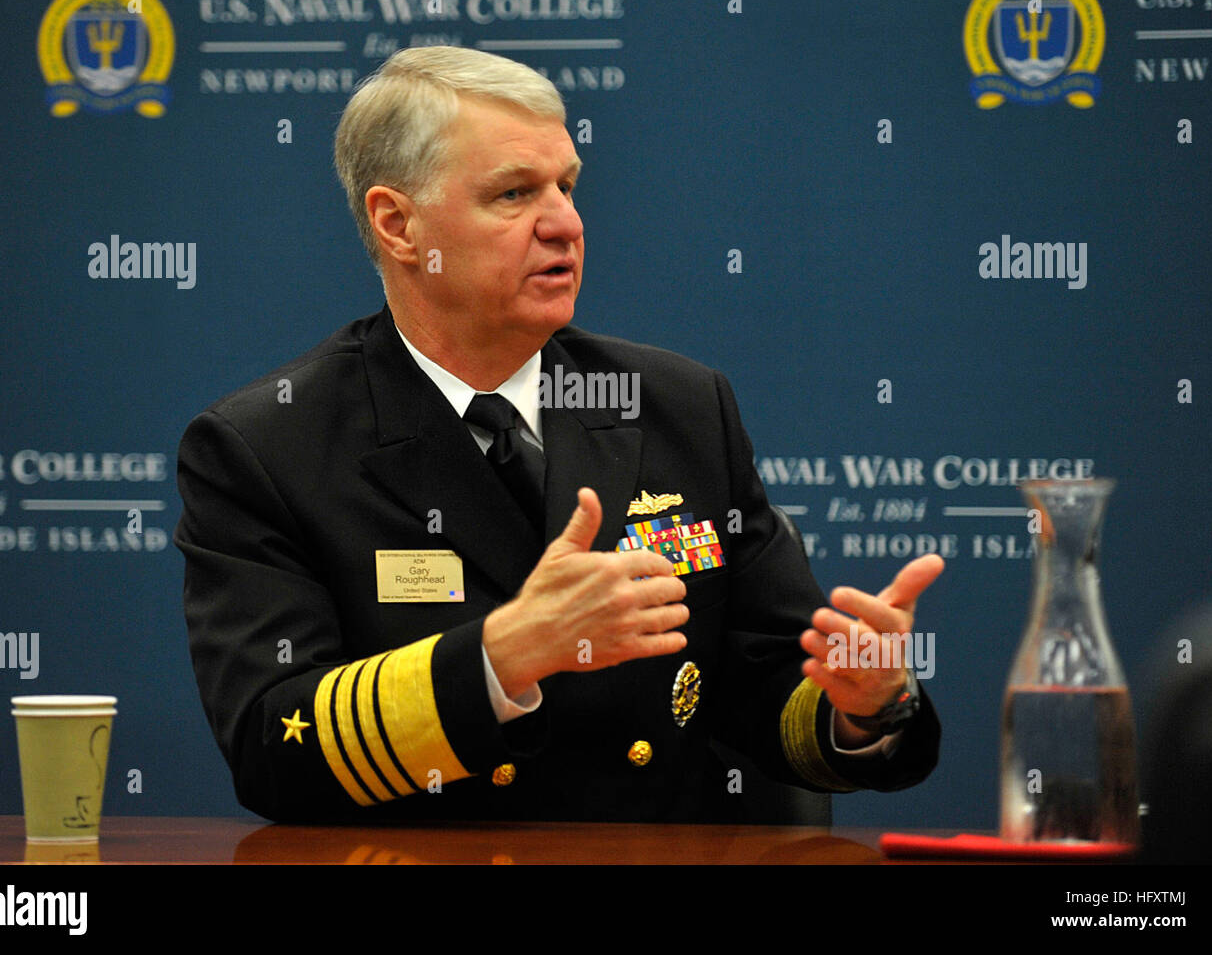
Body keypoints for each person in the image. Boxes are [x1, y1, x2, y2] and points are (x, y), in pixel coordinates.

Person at [174, 46, 943, 823]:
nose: (565, 224)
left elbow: (769, 679)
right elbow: (274, 746)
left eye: (567, 187)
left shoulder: (676, 405)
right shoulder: (269, 446)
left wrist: (864, 705)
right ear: (398, 224)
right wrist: (503, 656)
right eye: (514, 194)